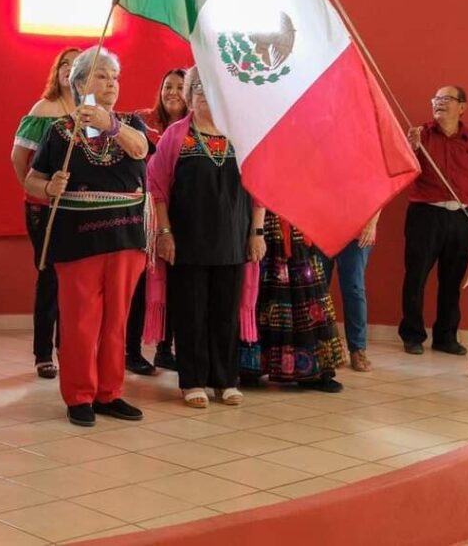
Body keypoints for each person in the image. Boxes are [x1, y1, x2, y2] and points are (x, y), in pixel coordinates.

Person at [24, 46, 151, 427]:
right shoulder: (59, 132)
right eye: (101, 76)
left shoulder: (131, 125)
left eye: (114, 77)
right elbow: (32, 178)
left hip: (126, 239)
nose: (110, 83)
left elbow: (141, 150)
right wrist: (49, 188)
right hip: (78, 240)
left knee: (117, 321)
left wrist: (110, 124)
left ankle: (109, 393)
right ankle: (79, 395)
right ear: (79, 83)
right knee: (80, 322)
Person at [147, 68, 264, 407]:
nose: (201, 92)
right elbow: (157, 188)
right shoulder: (175, 136)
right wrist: (164, 232)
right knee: (190, 313)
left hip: (233, 241)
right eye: (195, 86)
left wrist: (256, 232)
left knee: (225, 313)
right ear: (187, 94)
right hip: (187, 242)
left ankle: (225, 380)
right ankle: (192, 380)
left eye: (209, 86)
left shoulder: (241, 135)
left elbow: (260, 189)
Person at [399, 85, 468, 356]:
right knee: (415, 277)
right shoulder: (420, 135)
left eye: (447, 99)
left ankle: (445, 337)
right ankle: (413, 335)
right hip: (425, 216)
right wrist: (411, 149)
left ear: (462, 107)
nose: (439, 103)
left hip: (462, 218)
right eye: (436, 99)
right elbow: (401, 171)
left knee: (452, 281)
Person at [11, 47, 79, 378]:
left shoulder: (90, 112)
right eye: (64, 64)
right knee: (50, 277)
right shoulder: (44, 109)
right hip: (44, 207)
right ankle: (43, 352)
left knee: (75, 278)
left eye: (76, 65)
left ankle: (68, 344)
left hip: (77, 208)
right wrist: (37, 188)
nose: (69, 69)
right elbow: (18, 157)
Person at [242, 212, 348, 393]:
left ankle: (313, 370)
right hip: (267, 226)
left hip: (300, 226)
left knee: (308, 294)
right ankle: (250, 367)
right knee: (262, 291)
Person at [126, 68, 187, 375]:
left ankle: (165, 349)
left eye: (180, 86)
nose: (173, 91)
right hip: (145, 214)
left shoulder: (195, 128)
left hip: (182, 216)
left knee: (174, 283)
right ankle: (132, 351)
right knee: (140, 283)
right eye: (168, 86)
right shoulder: (141, 121)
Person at [314, 212, 379, 372]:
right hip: (322, 229)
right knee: (317, 289)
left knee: (354, 289)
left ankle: (358, 350)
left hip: (358, 232)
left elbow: (379, 192)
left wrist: (371, 224)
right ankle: (317, 348)